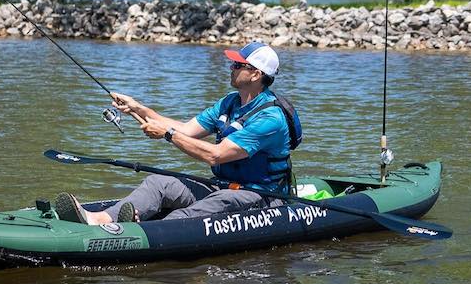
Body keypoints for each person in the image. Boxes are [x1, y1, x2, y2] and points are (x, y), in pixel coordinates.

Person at [55, 41, 298, 224]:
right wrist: (137, 108)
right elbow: (186, 130)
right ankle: (102, 219)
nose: (231, 67)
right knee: (158, 184)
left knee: (204, 208)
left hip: (261, 196)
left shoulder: (270, 118)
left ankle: (145, 233)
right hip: (224, 185)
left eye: (237, 64)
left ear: (256, 74)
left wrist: (167, 134)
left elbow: (215, 155)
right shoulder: (230, 102)